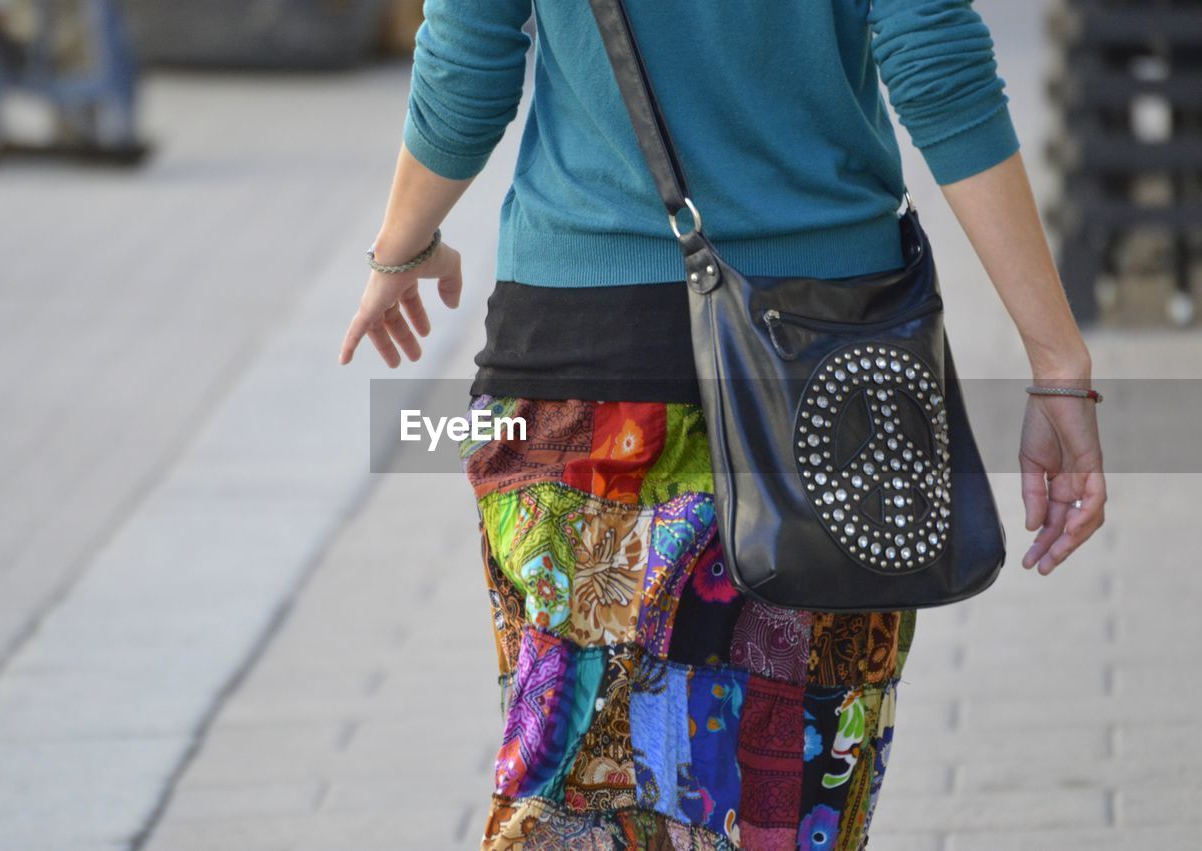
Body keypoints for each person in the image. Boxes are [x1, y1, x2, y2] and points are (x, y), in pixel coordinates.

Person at [339, 1, 1107, 847]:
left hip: (577, 377)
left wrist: (401, 248)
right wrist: (1058, 364)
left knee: (578, 804)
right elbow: (935, 61)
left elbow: (469, 57)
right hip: (835, 372)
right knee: (789, 803)